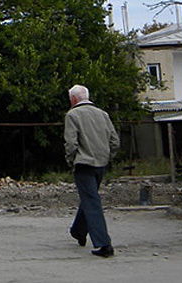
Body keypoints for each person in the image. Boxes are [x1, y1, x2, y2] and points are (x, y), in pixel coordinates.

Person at [64, 84, 119, 258]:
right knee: (90, 198)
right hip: (101, 164)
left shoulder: (72, 115)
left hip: (83, 164)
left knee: (92, 202)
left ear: (73, 99)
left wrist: (71, 160)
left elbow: (71, 143)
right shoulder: (103, 114)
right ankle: (78, 231)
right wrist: (107, 158)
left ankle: (104, 244)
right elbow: (114, 141)